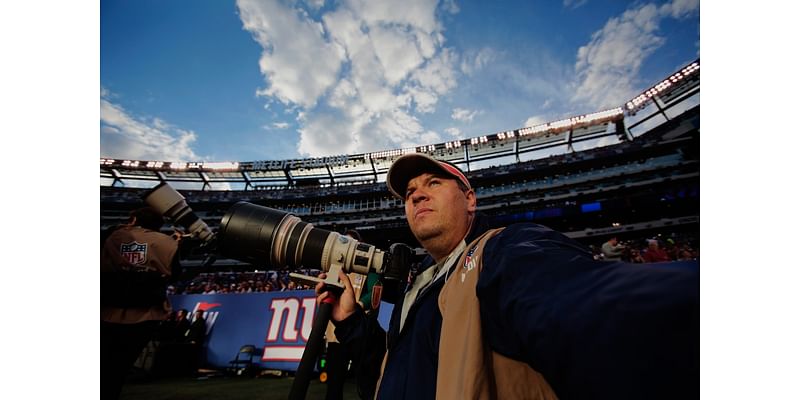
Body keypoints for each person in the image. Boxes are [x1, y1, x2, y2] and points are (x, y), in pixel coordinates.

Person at [317, 153, 699, 400]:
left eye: (433, 183)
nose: (417, 195)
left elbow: (594, 310)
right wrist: (350, 322)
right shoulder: (417, 288)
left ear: (470, 199)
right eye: (410, 192)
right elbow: (391, 379)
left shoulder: (506, 250)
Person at [101, 207, 181, 400]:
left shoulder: (114, 235)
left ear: (134, 219)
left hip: (108, 309)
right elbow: (175, 274)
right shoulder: (168, 243)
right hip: (146, 314)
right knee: (119, 368)